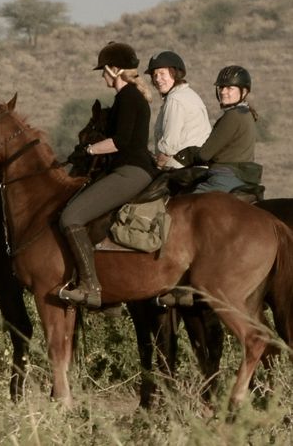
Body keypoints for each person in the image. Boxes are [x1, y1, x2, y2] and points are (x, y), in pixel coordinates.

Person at [56, 42, 155, 308]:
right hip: (133, 169)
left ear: (115, 70)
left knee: (71, 216)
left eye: (104, 71)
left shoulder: (127, 98)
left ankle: (91, 286)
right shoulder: (131, 97)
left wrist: (87, 150)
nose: (102, 76)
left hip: (130, 171)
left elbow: (120, 141)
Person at [178, 65, 260, 194]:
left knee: (186, 203)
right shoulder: (246, 113)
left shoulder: (233, 116)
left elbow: (204, 154)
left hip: (225, 176)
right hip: (241, 177)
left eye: (229, 88)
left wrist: (186, 154)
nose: (223, 92)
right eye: (221, 87)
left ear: (243, 92)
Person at [145, 51, 211, 170]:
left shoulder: (175, 100)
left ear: (174, 73)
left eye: (162, 73)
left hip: (181, 167)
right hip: (195, 163)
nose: (157, 79)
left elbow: (169, 146)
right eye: (154, 75)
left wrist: (157, 167)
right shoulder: (187, 94)